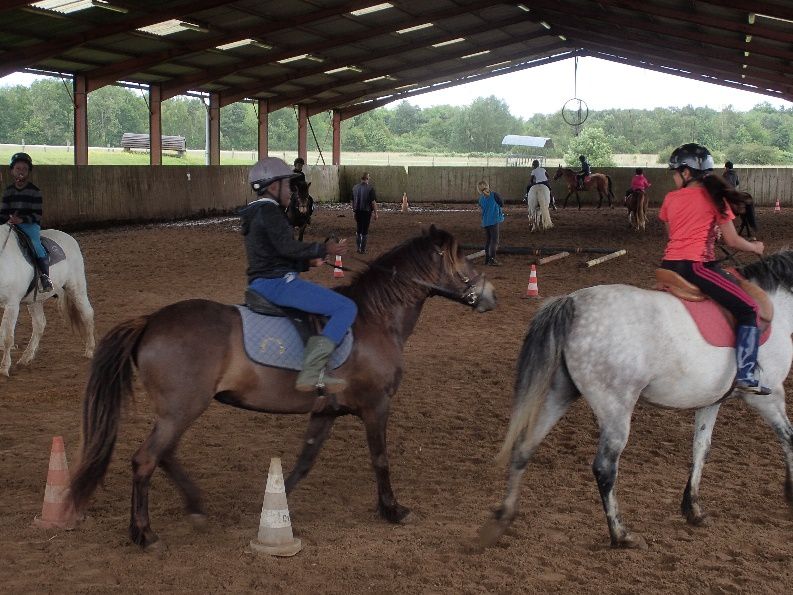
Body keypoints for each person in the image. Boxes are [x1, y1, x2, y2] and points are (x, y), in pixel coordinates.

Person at [659, 143, 769, 395]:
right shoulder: (715, 199)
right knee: (749, 308)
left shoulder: (670, 198)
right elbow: (732, 241)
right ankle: (747, 373)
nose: (674, 176)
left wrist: (705, 233)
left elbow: (674, 235)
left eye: (674, 172)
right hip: (696, 267)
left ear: (686, 173)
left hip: (668, 265)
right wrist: (754, 247)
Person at [241, 157, 355, 394]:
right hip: (278, 284)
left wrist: (308, 261)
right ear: (273, 187)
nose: (292, 191)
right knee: (346, 308)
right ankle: (313, 370)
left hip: (265, 280)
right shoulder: (270, 212)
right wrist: (324, 249)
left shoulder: (256, 213)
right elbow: (287, 247)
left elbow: (276, 253)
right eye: (288, 185)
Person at [0, 152, 52, 291]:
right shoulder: (8, 191)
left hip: (29, 225)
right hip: (11, 225)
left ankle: (45, 277)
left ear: (28, 172)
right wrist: (6, 220)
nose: (21, 172)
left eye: (24, 169)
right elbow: (4, 213)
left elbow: (37, 214)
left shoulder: (35, 191)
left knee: (36, 245)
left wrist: (21, 220)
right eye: (18, 169)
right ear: (12, 171)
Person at [724, 160, 757, 239]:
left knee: (720, 204)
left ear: (727, 167)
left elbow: (723, 184)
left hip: (728, 193)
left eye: (725, 167)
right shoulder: (735, 174)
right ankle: (748, 231)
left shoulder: (725, 174)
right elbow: (737, 183)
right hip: (734, 191)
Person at [477, 180, 505, 266]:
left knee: (488, 240)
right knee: (494, 241)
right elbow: (502, 203)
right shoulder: (494, 195)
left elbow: (482, 206)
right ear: (487, 186)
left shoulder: (481, 198)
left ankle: (487, 259)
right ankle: (492, 259)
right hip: (494, 220)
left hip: (485, 221)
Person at [351, 172, 378, 254]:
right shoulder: (370, 189)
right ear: (367, 179)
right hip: (366, 212)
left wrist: (353, 211)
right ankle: (363, 249)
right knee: (365, 230)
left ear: (361, 179)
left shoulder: (355, 188)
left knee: (358, 229)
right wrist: (376, 213)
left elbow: (352, 201)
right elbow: (373, 202)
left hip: (357, 211)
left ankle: (358, 248)